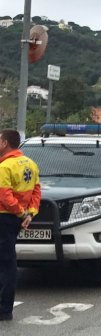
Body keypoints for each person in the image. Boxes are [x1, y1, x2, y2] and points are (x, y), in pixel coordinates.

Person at [0, 129, 40, 321]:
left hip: (4, 217)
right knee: (7, 262)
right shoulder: (30, 164)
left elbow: (4, 196)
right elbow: (36, 191)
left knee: (6, 263)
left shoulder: (5, 166)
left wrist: (20, 212)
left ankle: (4, 308)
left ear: (4, 143)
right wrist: (29, 214)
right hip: (15, 218)